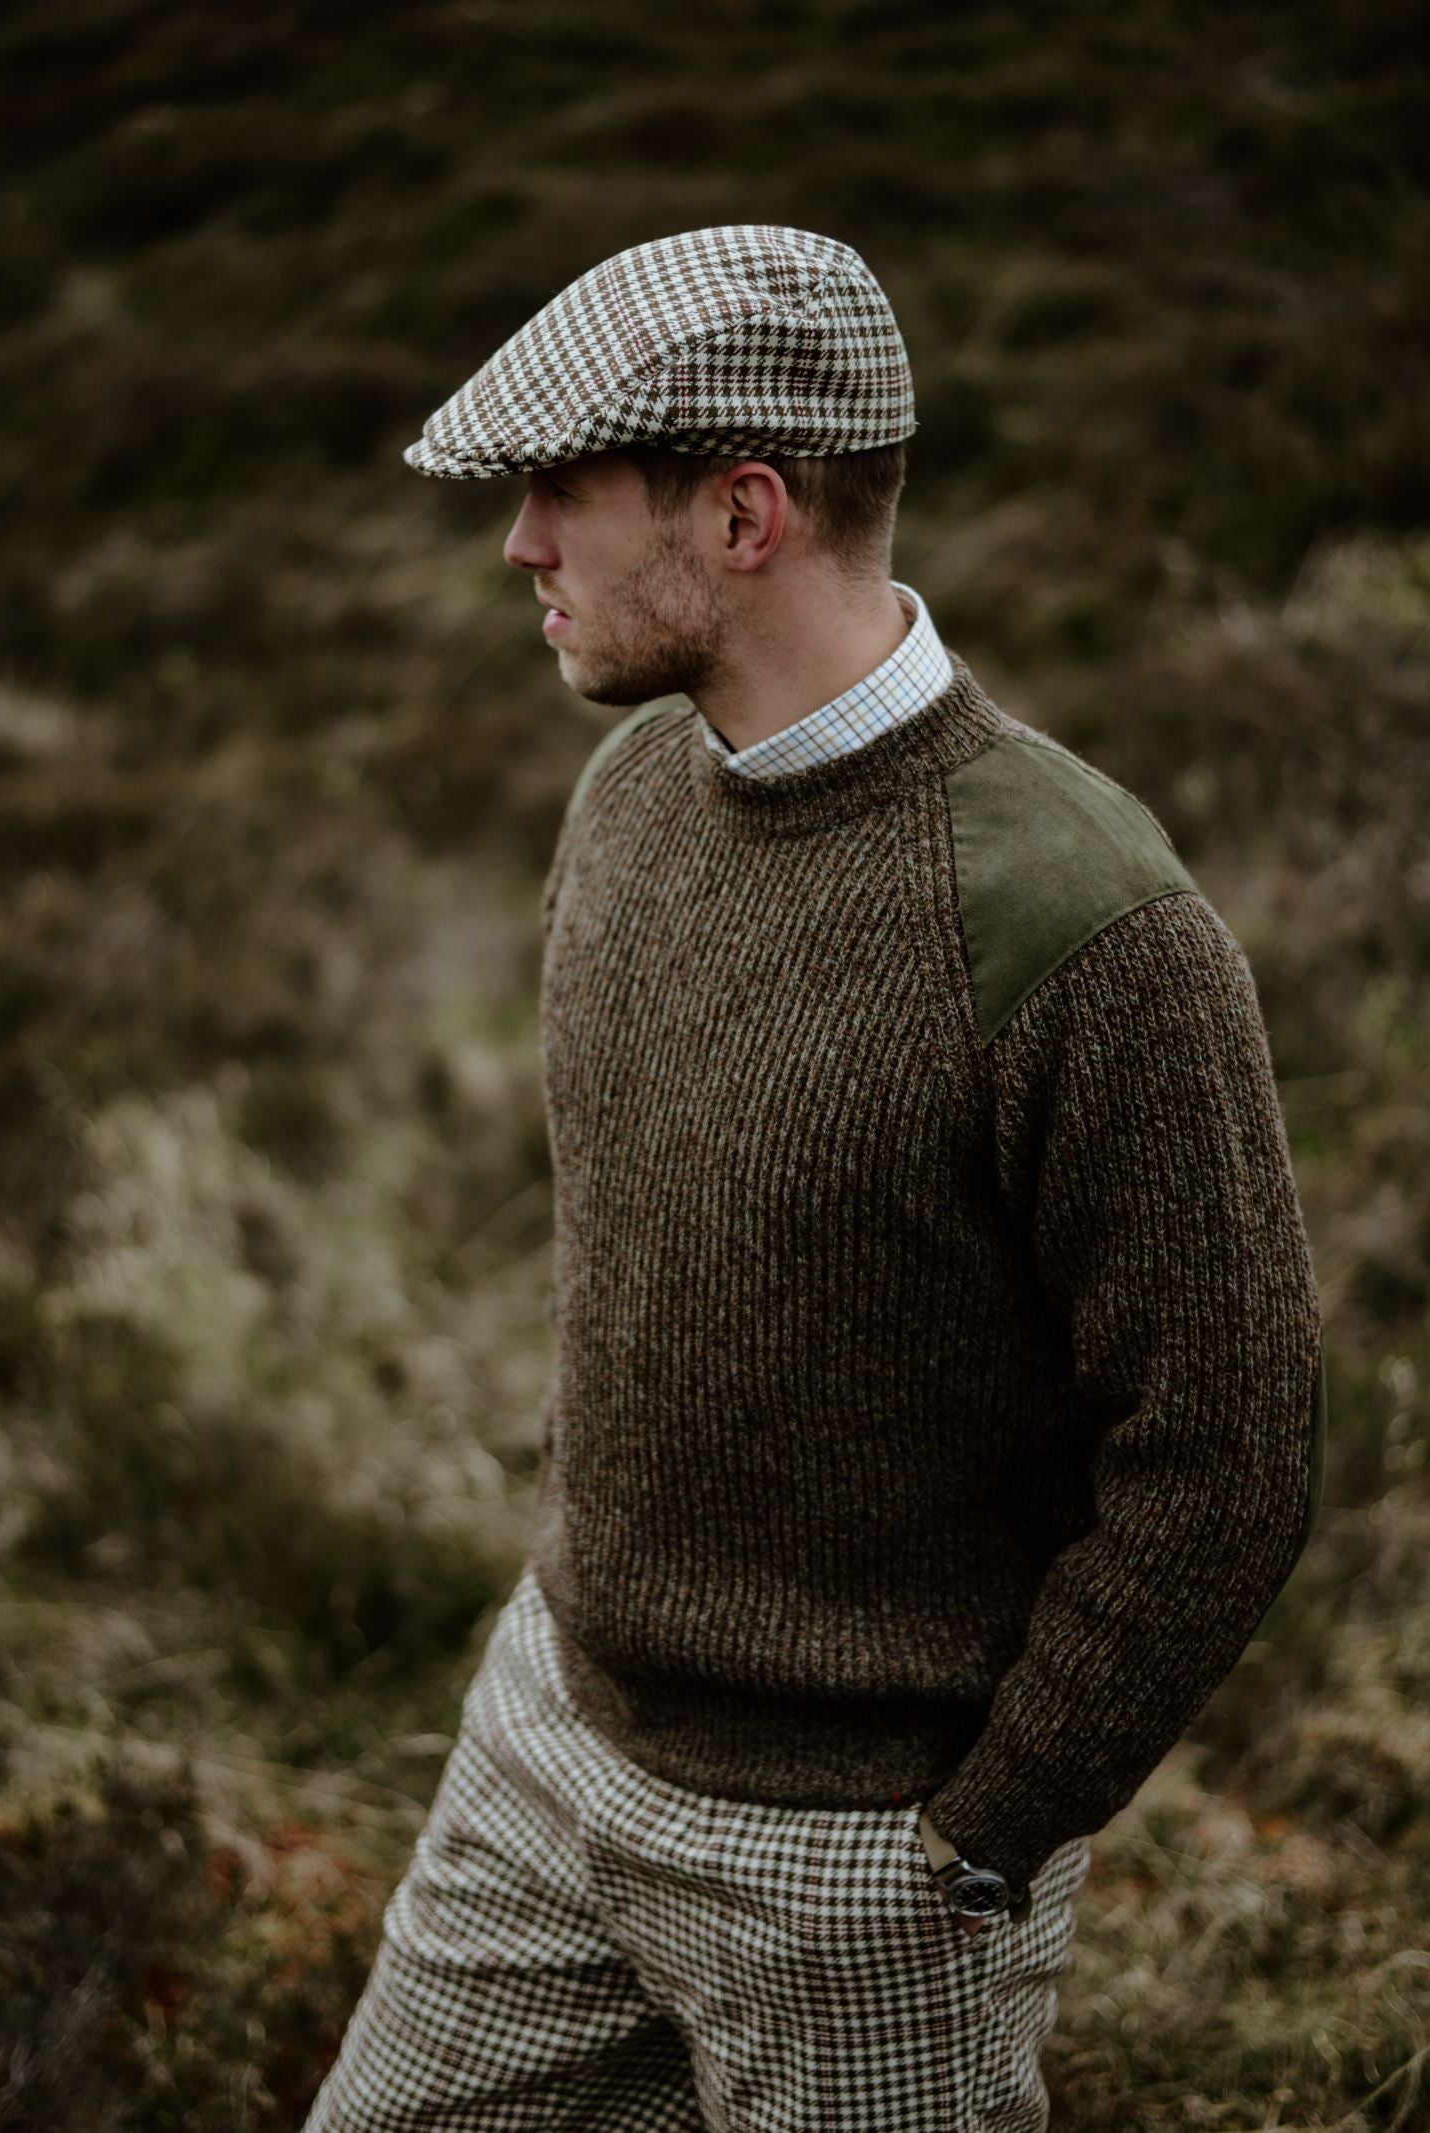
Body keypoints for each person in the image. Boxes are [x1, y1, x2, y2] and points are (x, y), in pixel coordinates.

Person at [303, 225, 1326, 2132]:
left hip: (859, 1879)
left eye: (563, 491)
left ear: (743, 512)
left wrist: (985, 1829)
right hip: (548, 1755)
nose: (521, 545)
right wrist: (566, 1631)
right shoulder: (626, 799)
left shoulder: (1086, 924)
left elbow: (1232, 1438)